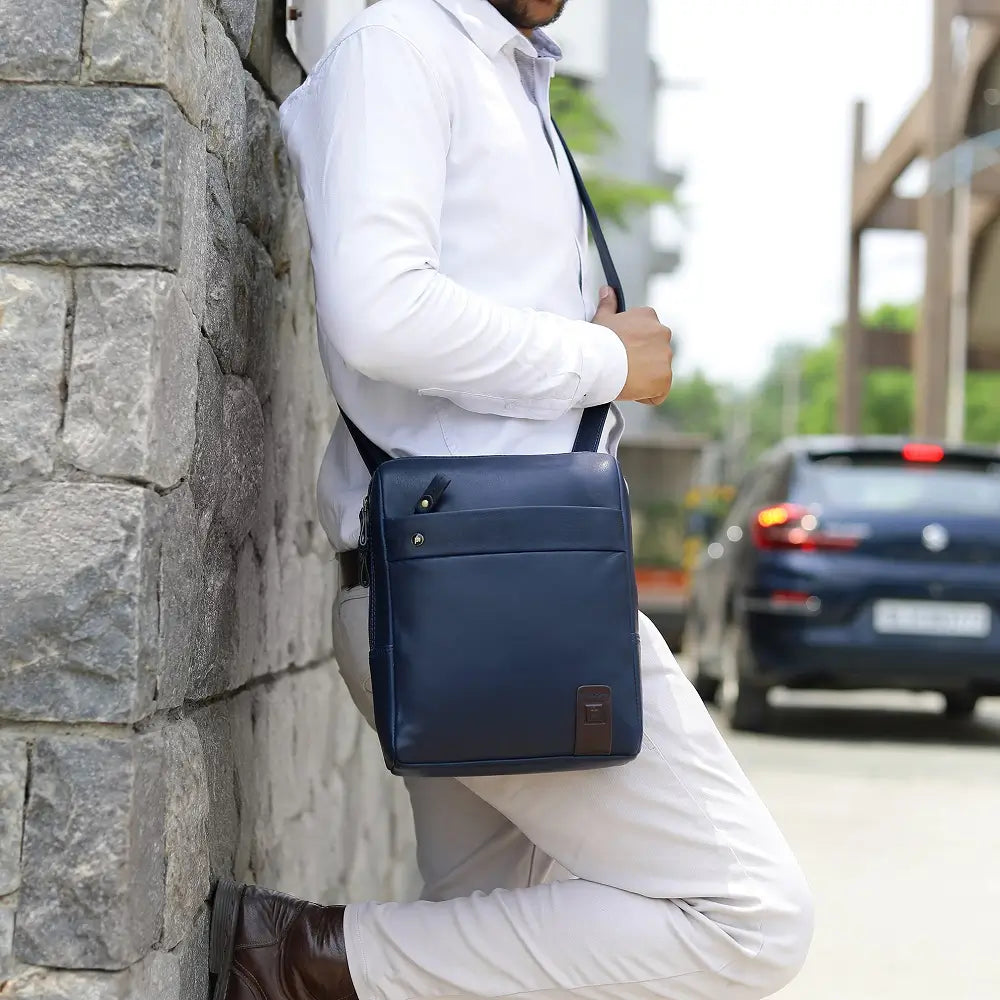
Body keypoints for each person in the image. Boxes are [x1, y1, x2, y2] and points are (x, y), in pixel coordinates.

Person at [207, 2, 814, 999]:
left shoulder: (507, 78)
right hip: (484, 594)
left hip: (497, 582)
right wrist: (603, 357)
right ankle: (302, 957)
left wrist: (581, 345)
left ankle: (313, 960)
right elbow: (381, 312)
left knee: (491, 951)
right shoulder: (400, 47)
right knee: (750, 916)